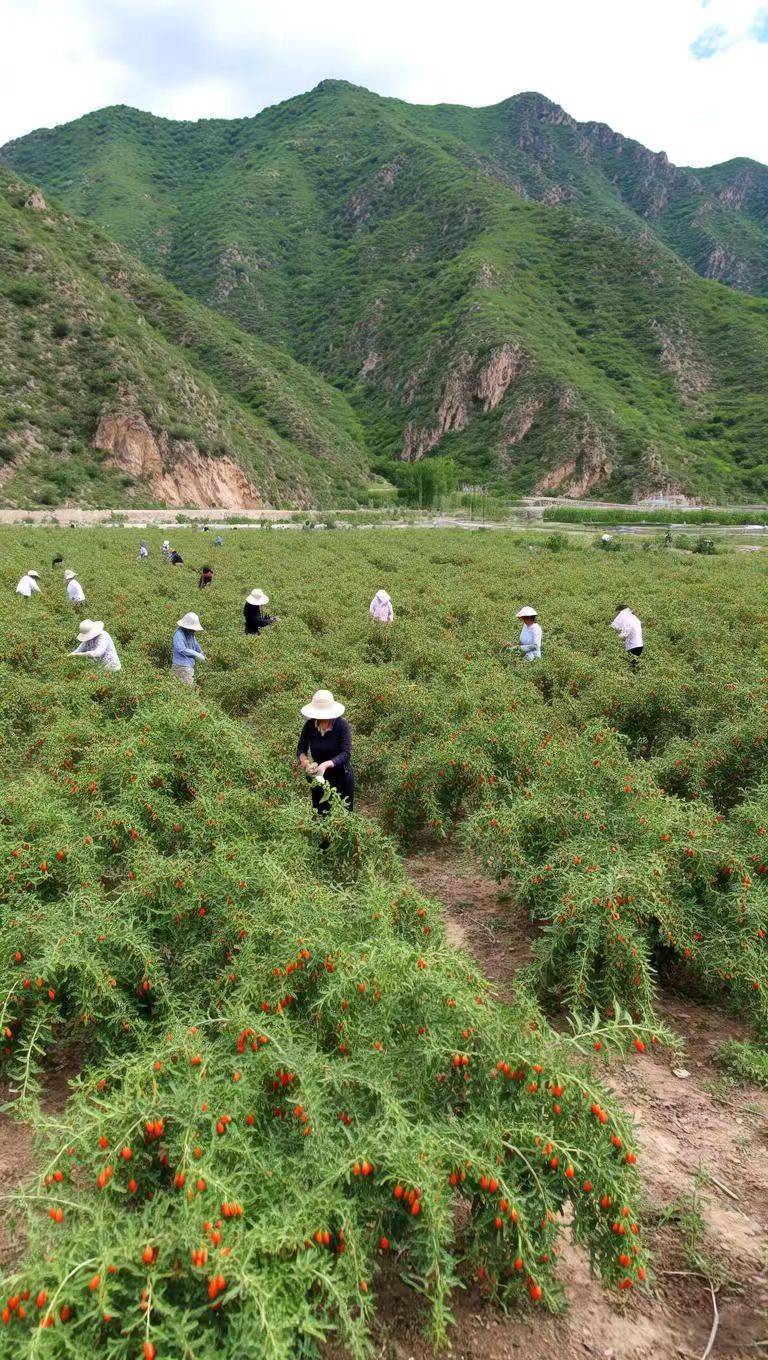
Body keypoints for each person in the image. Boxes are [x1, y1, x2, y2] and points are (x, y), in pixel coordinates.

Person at [296, 690, 354, 815]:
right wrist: (306, 763)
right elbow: (301, 749)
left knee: (341, 816)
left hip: (341, 777)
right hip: (319, 778)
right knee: (321, 815)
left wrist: (326, 764)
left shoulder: (341, 725)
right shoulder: (310, 725)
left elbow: (346, 753)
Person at [172, 612, 206, 685]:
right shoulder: (178, 634)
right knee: (186, 689)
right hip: (181, 666)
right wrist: (197, 654)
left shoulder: (190, 633)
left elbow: (195, 644)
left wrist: (201, 652)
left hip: (189, 665)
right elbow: (182, 649)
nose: (193, 630)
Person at [611, 603, 643, 670]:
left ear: (620, 611)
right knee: (633, 666)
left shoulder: (625, 616)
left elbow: (625, 631)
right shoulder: (632, 617)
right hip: (639, 645)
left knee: (628, 667)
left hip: (633, 646)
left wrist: (613, 639)